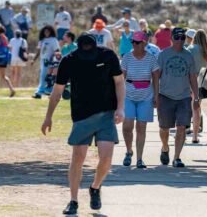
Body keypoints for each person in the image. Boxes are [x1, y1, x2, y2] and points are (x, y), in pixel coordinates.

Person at [41, 33, 125, 215]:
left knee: (106, 158)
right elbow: (57, 91)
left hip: (106, 114)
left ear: (95, 46)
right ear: (78, 47)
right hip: (81, 116)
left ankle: (95, 187)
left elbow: (119, 82)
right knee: (78, 158)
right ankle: (73, 201)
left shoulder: (108, 56)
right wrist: (48, 116)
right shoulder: (69, 61)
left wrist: (120, 108)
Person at [156, 28, 199, 168]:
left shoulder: (188, 56)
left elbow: (193, 77)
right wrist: (155, 95)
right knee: (164, 128)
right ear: (171, 39)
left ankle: (176, 157)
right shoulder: (163, 55)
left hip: (184, 97)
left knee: (181, 127)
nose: (180, 41)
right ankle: (165, 147)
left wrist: (196, 97)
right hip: (165, 96)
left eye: (182, 38)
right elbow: (156, 76)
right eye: (177, 38)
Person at [121, 31, 159, 169]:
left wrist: (156, 96)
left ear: (144, 43)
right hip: (129, 95)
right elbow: (121, 78)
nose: (134, 45)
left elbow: (155, 77)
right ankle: (129, 150)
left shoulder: (151, 58)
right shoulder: (127, 57)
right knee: (127, 127)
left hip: (146, 96)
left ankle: (139, 158)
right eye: (133, 42)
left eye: (137, 42)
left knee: (141, 128)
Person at [186, 29, 207, 143]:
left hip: (190, 81)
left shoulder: (190, 49)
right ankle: (195, 135)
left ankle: (187, 130)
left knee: (189, 106)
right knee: (197, 108)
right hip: (203, 81)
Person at [32, 26, 60, 98]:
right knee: (44, 76)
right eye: (45, 31)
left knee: (43, 76)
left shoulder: (53, 40)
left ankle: (39, 92)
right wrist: (34, 60)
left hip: (48, 61)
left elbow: (57, 51)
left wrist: (54, 61)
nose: (46, 33)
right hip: (42, 60)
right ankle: (48, 90)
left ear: (51, 32)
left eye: (48, 31)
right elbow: (38, 51)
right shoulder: (42, 40)